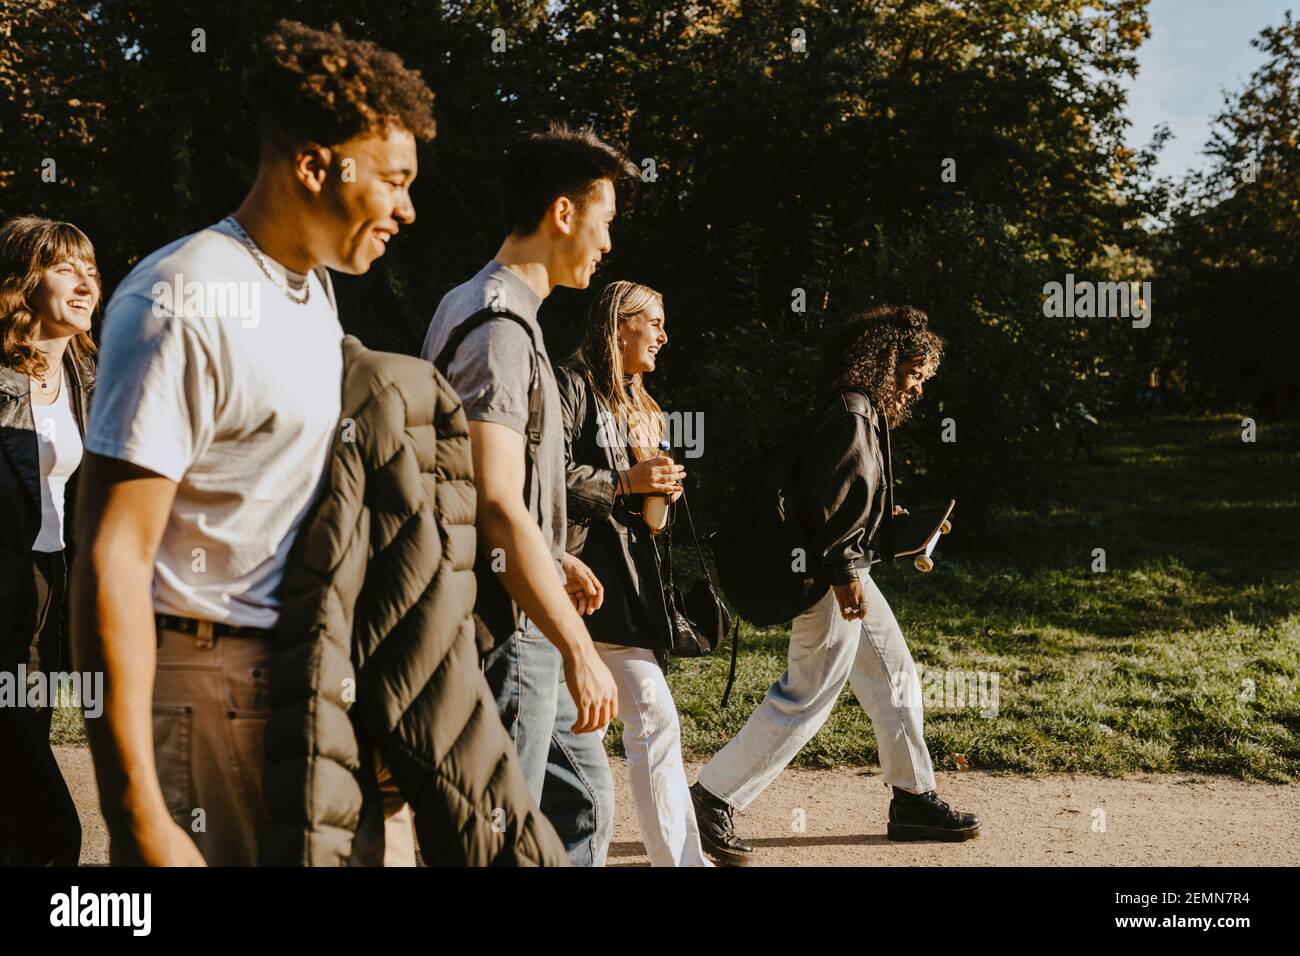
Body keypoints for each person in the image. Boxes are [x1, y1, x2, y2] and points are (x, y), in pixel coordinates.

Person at [72, 19, 435, 866]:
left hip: (306, 681)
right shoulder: (182, 298)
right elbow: (111, 556)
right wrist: (137, 810)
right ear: (314, 164)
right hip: (206, 689)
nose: (409, 209)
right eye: (394, 180)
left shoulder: (310, 295)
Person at [690, 305, 981, 865]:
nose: (917, 386)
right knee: (807, 693)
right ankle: (711, 797)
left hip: (840, 569)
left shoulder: (858, 411)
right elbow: (824, 511)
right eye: (913, 373)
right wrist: (845, 572)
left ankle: (914, 799)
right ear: (886, 363)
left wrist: (886, 524)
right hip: (828, 577)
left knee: (893, 673)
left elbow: (837, 498)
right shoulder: (852, 413)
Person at [421, 123, 638, 866]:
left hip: (516, 603)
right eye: (604, 222)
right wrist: (579, 648)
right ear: (563, 213)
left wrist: (551, 552)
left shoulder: (470, 304)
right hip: (506, 627)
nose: (608, 245)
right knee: (500, 840)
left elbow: (493, 487)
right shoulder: (500, 329)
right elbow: (494, 502)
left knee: (579, 800)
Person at [555, 280, 711, 867]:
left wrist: (660, 487)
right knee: (587, 732)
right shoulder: (569, 383)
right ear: (620, 324)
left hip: (620, 586)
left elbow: (648, 524)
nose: (665, 336)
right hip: (570, 580)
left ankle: (680, 860)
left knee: (641, 719)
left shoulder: (637, 402)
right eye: (655, 323)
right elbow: (543, 479)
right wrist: (625, 481)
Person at [0, 216, 99, 866]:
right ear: (22, 282)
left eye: (90, 268)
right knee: (51, 828)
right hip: (5, 601)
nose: (85, 280)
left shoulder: (92, 383)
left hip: (53, 595)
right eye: (66, 267)